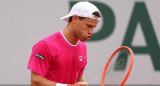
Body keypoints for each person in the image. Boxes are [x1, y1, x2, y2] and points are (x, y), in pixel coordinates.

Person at [27, 1, 101, 86]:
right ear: (75, 19)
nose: (91, 32)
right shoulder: (45, 45)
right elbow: (35, 81)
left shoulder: (82, 47)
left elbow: (78, 78)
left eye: (93, 28)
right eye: (89, 26)